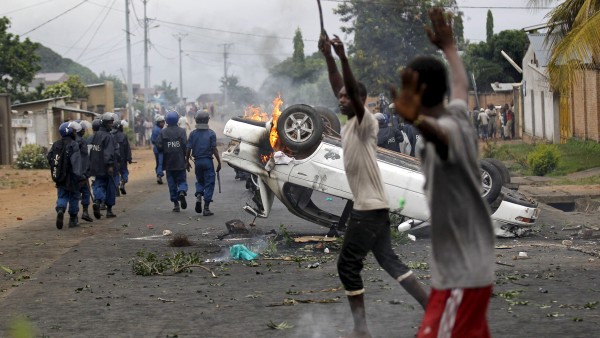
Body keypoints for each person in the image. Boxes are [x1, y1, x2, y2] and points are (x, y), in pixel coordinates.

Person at [390, 8, 495, 337]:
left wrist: (416, 120)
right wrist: (449, 47)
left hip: (461, 273)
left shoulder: (441, 134)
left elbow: (442, 140)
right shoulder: (458, 113)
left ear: (417, 94)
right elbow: (460, 84)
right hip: (470, 265)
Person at [320, 33, 428, 338]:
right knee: (389, 260)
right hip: (372, 206)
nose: (340, 99)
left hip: (368, 209)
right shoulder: (348, 126)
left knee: (347, 267)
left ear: (358, 99)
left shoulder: (366, 122)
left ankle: (362, 330)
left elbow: (351, 92)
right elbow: (335, 81)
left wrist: (343, 57)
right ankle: (433, 307)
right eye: (339, 97)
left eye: (346, 97)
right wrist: (328, 56)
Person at [48, 121, 83, 229]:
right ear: (69, 131)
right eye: (73, 130)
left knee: (62, 195)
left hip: (60, 176)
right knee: (74, 197)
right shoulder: (74, 144)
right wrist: (80, 177)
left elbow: (50, 158)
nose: (74, 132)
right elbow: (76, 162)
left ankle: (60, 209)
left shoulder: (56, 144)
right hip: (72, 177)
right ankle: (73, 219)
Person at [186, 111, 222, 216]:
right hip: (207, 161)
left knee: (200, 181)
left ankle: (198, 195)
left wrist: (186, 161)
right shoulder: (211, 133)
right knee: (209, 183)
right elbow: (214, 149)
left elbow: (188, 149)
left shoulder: (192, 134)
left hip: (198, 162)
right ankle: (206, 208)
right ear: (207, 120)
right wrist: (219, 162)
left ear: (196, 120)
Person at [156, 110, 188, 212]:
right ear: (177, 119)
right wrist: (186, 159)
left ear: (166, 120)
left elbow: (159, 146)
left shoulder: (163, 132)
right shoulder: (182, 131)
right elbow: (185, 146)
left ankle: (175, 204)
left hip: (169, 163)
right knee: (182, 180)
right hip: (180, 162)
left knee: (171, 183)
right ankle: (182, 191)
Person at [89, 112, 117, 219]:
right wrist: (110, 165)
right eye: (109, 123)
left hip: (96, 166)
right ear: (104, 123)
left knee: (98, 185)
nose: (111, 125)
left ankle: (97, 201)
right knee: (110, 188)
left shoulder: (96, 135)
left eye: (112, 123)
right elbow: (108, 152)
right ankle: (109, 211)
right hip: (106, 167)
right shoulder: (108, 137)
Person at [75, 120, 93, 223]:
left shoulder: (70, 142)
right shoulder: (82, 142)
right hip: (82, 173)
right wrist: (86, 173)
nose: (84, 131)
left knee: (75, 195)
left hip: (73, 174)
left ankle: (74, 217)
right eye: (83, 130)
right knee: (86, 192)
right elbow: (86, 158)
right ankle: (85, 212)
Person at [113, 120, 132, 195]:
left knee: (116, 173)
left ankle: (116, 187)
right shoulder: (123, 135)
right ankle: (123, 183)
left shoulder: (110, 135)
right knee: (124, 172)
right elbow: (127, 148)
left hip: (114, 159)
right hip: (122, 159)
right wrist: (129, 158)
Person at [151, 115, 165, 184]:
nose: (163, 123)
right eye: (161, 122)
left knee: (158, 163)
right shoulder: (160, 131)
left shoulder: (154, 129)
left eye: (163, 122)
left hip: (156, 149)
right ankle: (159, 175)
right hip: (160, 149)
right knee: (160, 163)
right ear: (158, 123)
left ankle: (158, 175)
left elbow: (152, 140)